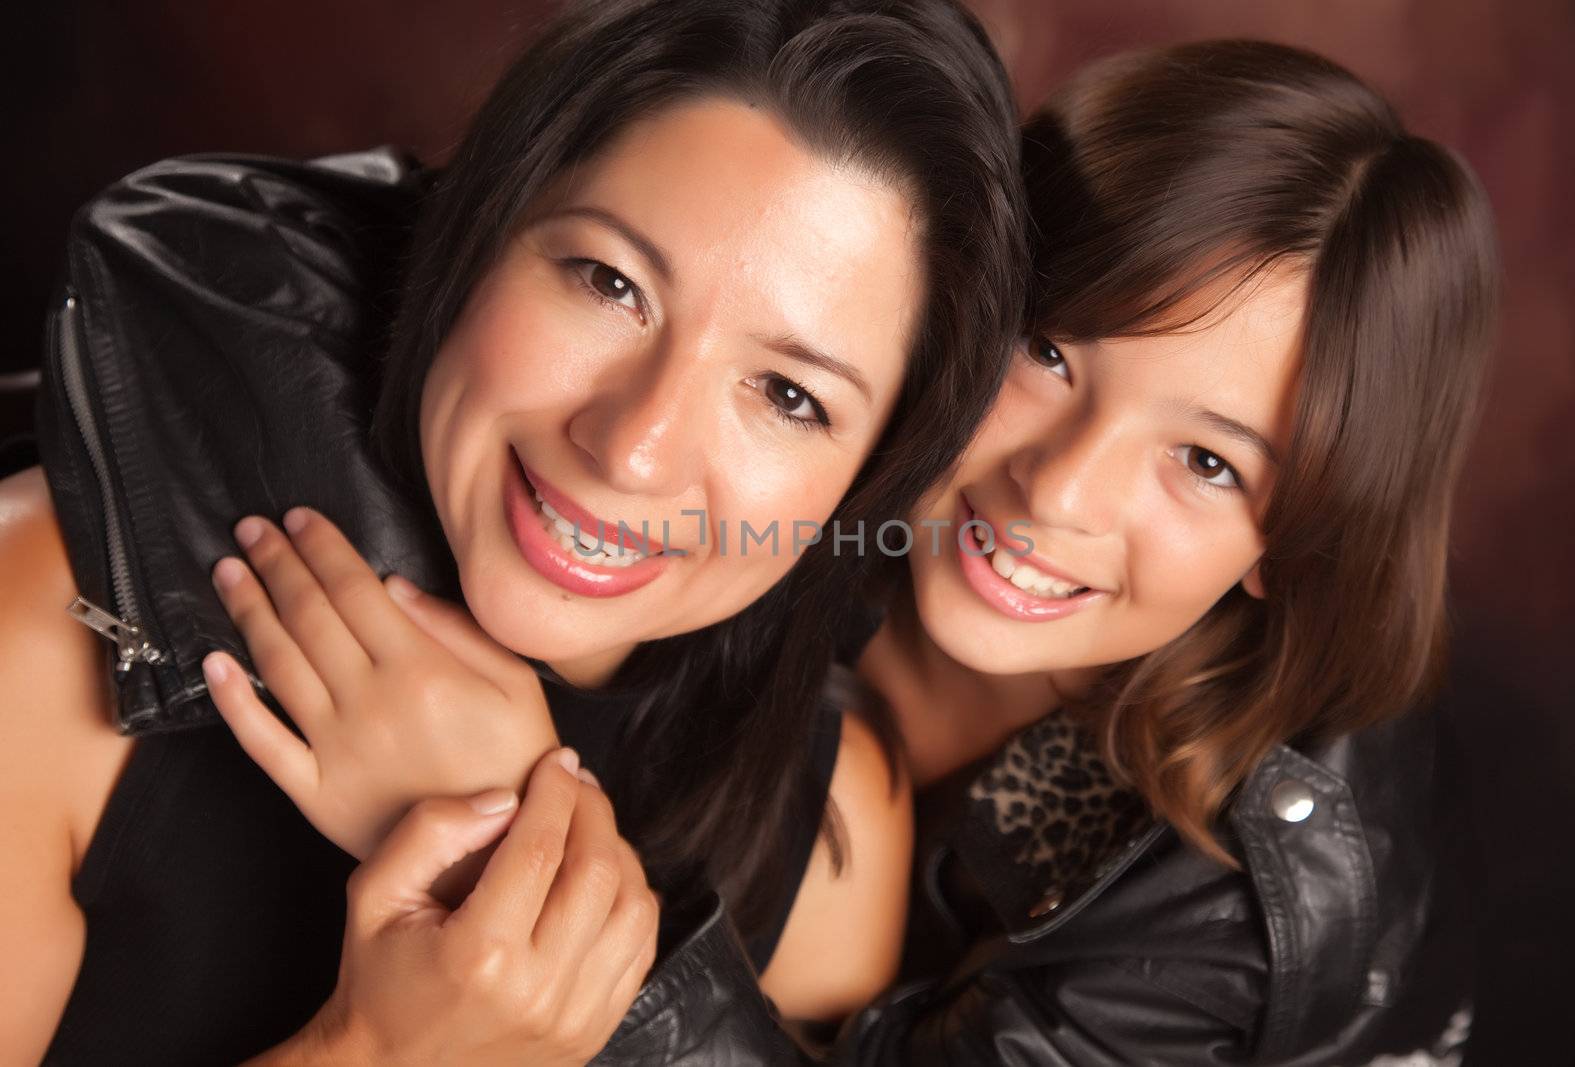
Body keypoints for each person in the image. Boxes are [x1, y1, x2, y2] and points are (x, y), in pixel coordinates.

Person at [0, 1, 1027, 1062]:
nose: (632, 447)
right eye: (608, 283)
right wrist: (378, 1048)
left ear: (865, 480)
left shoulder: (823, 832)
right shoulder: (38, 625)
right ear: (480, 228)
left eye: (787, 394)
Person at [491, 38, 1493, 1064]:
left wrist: (497, 825)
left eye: (1203, 460)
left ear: (1294, 541)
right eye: (1049, 350)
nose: (1058, 487)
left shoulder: (1239, 919)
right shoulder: (794, 449)